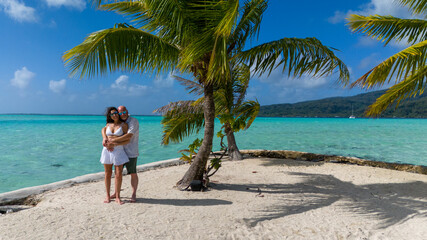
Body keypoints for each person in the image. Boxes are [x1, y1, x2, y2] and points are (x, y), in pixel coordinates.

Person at [106, 105, 139, 203]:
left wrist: (113, 140)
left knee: (132, 173)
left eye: (124, 112)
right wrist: (106, 139)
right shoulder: (117, 121)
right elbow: (105, 128)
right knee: (117, 174)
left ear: (127, 111)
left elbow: (129, 135)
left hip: (130, 151)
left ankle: (133, 193)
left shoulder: (133, 121)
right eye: (120, 113)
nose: (122, 114)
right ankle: (116, 193)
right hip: (119, 151)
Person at [100, 107, 130, 205]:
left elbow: (127, 140)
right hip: (107, 151)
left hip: (118, 150)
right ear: (110, 116)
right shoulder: (108, 124)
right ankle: (108, 195)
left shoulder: (124, 125)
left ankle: (117, 197)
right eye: (112, 114)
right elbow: (103, 130)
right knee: (107, 173)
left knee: (118, 174)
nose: (114, 115)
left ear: (118, 113)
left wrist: (115, 143)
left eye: (116, 113)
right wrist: (104, 139)